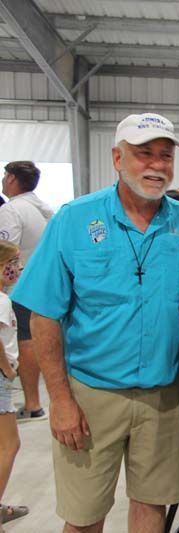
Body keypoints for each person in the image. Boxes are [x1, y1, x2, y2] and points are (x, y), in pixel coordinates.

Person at [10, 113, 179, 532]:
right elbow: (44, 315)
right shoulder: (74, 220)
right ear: (117, 157)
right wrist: (60, 400)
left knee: (152, 504)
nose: (157, 165)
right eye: (145, 154)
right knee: (85, 515)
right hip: (90, 395)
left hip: (163, 394)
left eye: (165, 156)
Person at [0, 161, 53, 421]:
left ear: (11, 179)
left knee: (25, 339)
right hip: (42, 284)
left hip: (21, 287)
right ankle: (34, 400)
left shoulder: (12, 210)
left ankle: (32, 402)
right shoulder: (42, 208)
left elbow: (6, 251)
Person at [0, 241, 28, 530]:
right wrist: (7, 369)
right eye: (13, 262)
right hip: (0, 378)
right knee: (10, 445)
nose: (18, 268)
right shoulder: (2, 301)